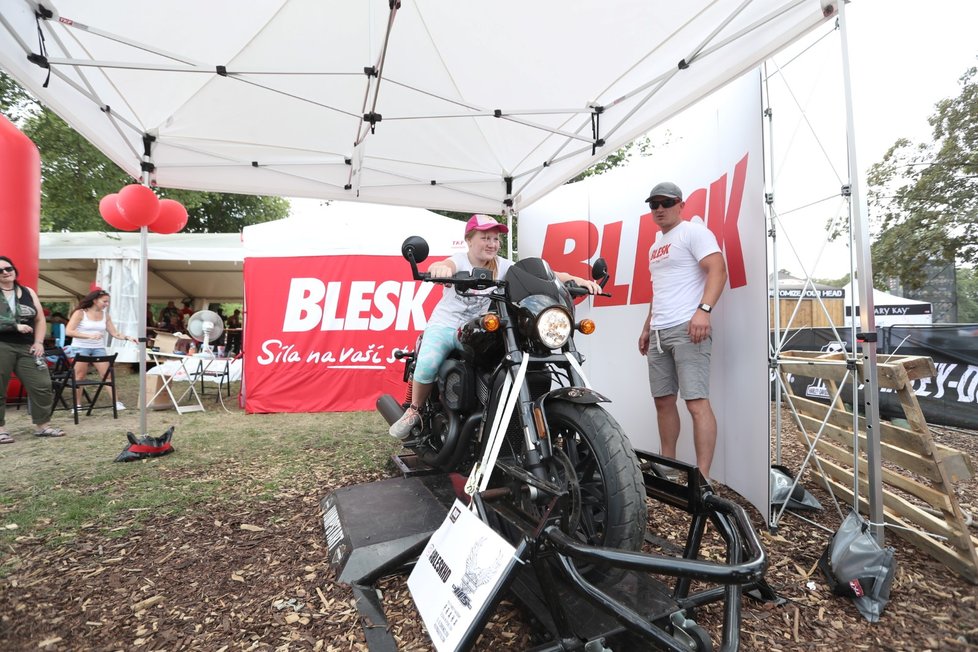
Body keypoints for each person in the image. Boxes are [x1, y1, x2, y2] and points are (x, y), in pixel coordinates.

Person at [389, 214, 603, 439]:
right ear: (469, 240)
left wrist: (576, 280)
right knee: (428, 361)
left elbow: (545, 275)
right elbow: (445, 265)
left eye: (495, 239)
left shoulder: (502, 266)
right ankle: (415, 410)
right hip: (448, 325)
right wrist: (440, 269)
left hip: (479, 328)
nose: (492, 243)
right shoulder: (460, 260)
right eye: (485, 238)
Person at [637, 182, 727, 479]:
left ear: (681, 204)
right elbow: (659, 289)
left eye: (666, 202)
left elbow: (718, 268)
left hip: (688, 328)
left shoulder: (693, 231)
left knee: (696, 402)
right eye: (654, 204)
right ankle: (668, 468)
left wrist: (704, 310)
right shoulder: (655, 245)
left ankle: (702, 478)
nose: (660, 209)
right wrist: (648, 325)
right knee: (663, 401)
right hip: (660, 331)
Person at [0, 255, 64, 441]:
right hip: (2, 344)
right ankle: (1, 430)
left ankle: (43, 426)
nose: (5, 272)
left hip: (27, 346)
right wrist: (14, 326)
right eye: (0, 271)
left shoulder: (27, 291)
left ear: (14, 270)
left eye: (8, 268)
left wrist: (39, 342)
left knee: (42, 384)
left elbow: (40, 319)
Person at [65, 289, 137, 409]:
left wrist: (127, 337)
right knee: (79, 377)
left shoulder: (105, 315)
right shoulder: (80, 313)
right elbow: (69, 331)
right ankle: (77, 405)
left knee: (107, 375)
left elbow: (114, 333)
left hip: (98, 348)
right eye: (104, 301)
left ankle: (116, 403)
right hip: (81, 347)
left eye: (108, 302)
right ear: (95, 300)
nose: (106, 304)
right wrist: (89, 336)